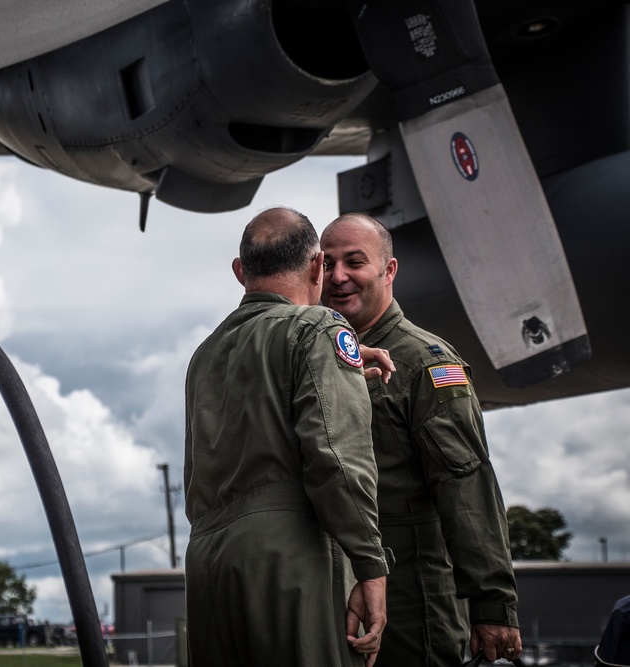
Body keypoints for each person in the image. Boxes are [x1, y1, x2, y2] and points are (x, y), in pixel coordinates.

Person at [184, 207, 392, 667]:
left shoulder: (206, 353)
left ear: (241, 272)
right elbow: (337, 458)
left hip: (207, 568)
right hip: (289, 561)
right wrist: (371, 566)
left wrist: (346, 374)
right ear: (318, 265)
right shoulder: (319, 328)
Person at [320, 212, 522, 665]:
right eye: (326, 263)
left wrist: (493, 604)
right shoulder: (320, 359)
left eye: (355, 262)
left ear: (388, 271)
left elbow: (465, 482)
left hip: (412, 597)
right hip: (337, 590)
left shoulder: (423, 363)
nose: (338, 277)